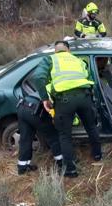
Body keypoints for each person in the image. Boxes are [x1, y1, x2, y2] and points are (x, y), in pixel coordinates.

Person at [33, 41, 102, 178]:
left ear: (55, 51)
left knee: (65, 136)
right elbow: (90, 79)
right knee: (91, 127)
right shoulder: (78, 60)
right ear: (68, 50)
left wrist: (45, 99)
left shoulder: (50, 59)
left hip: (65, 101)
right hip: (84, 98)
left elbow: (38, 77)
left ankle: (71, 171)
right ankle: (98, 155)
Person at [16, 94, 63, 175]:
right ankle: (62, 164)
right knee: (53, 136)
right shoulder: (55, 87)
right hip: (35, 109)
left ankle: (22, 168)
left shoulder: (40, 83)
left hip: (22, 105)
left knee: (25, 139)